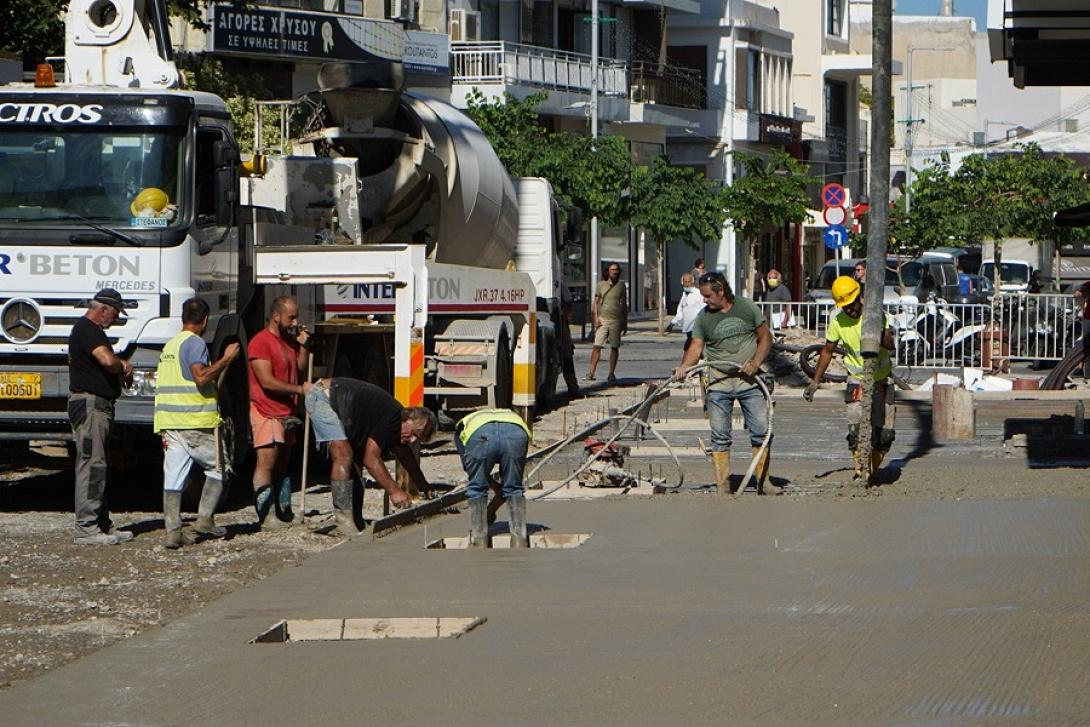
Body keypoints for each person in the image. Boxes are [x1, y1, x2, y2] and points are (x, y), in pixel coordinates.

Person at [673, 272, 780, 496]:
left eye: (708, 295)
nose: (704, 300)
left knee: (761, 430)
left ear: (721, 291)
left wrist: (755, 362)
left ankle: (763, 482)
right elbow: (695, 347)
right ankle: (723, 485)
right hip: (719, 381)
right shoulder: (703, 317)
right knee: (720, 435)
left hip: (750, 381)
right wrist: (684, 367)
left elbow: (765, 337)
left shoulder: (746, 307)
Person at [153, 298, 241, 549]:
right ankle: (204, 520)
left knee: (173, 476)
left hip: (170, 421)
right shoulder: (195, 344)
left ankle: (173, 531)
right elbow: (200, 377)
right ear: (204, 321)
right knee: (219, 467)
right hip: (195, 420)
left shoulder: (171, 345)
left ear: (183, 318)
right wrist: (226, 360)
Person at [304, 378, 436, 536]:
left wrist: (423, 485)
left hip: (343, 403)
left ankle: (355, 519)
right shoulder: (392, 419)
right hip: (323, 397)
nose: (413, 440)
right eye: (413, 434)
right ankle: (343, 521)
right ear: (407, 420)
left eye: (417, 439)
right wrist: (394, 490)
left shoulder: (397, 425)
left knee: (356, 460)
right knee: (344, 455)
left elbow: (404, 454)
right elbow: (372, 460)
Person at [803, 276, 896, 483]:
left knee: (885, 435)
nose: (850, 310)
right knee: (855, 431)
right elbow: (827, 351)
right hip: (856, 380)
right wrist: (815, 382)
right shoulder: (838, 322)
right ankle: (860, 470)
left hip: (882, 380)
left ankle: (871, 466)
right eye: (844, 307)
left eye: (851, 305)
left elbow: (891, 345)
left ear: (860, 298)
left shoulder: (875, 316)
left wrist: (879, 333)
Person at [67, 288, 135, 545]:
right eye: (115, 312)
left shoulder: (92, 332)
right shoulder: (87, 329)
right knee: (91, 464)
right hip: (90, 406)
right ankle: (86, 527)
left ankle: (101, 523)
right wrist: (124, 366)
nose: (116, 318)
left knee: (100, 464)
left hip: (99, 405)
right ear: (103, 308)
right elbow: (107, 360)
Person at [247, 296, 311, 529]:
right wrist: (299, 390)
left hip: (287, 412)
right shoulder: (260, 343)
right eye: (291, 317)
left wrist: (303, 345)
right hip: (266, 410)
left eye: (296, 316)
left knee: (283, 463)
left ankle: (282, 509)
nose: (295, 322)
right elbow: (267, 382)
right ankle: (266, 514)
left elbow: (300, 368)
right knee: (266, 461)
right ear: (276, 316)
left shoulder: (287, 342)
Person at [454, 408, 532, 548]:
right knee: (514, 489)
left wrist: (493, 495)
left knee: (477, 489)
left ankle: (480, 541)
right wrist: (496, 496)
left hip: (480, 435)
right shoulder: (511, 416)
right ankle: (519, 540)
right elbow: (508, 479)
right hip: (516, 433)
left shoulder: (463, 427)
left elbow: (472, 470)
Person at [587, 262, 627, 383]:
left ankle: (611, 373)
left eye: (616, 270)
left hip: (616, 320)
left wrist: (625, 321)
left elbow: (624, 303)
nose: (615, 272)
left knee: (614, 347)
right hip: (603, 319)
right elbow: (596, 302)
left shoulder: (621, 285)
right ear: (607, 271)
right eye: (612, 269)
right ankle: (591, 372)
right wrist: (596, 318)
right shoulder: (601, 285)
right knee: (597, 346)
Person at [557, 283, 582, 400]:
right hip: (560, 322)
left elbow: (568, 305)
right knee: (566, 359)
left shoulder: (561, 285)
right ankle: (573, 388)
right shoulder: (561, 284)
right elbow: (569, 304)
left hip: (561, 323)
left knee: (567, 358)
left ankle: (573, 388)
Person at [670, 272, 704, 350]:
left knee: (689, 348)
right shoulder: (684, 295)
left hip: (696, 326)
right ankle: (700, 360)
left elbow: (704, 307)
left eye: (689, 282)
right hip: (688, 326)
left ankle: (691, 361)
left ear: (692, 282)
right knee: (692, 349)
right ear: (682, 283)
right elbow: (681, 311)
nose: (687, 284)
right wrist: (672, 323)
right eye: (685, 282)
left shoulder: (698, 294)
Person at [1073, 280, 1090, 380]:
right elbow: (1077, 293)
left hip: (1088, 319)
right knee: (1086, 347)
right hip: (1088, 319)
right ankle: (1087, 374)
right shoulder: (1087, 285)